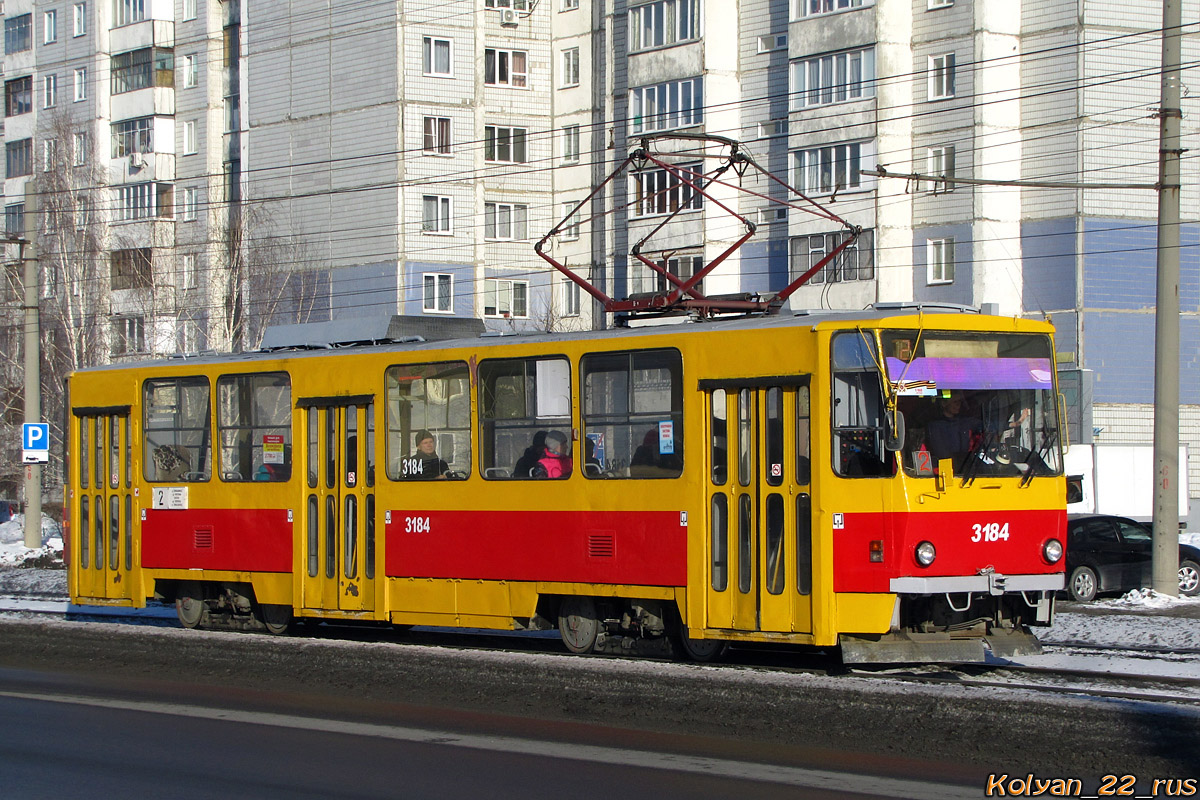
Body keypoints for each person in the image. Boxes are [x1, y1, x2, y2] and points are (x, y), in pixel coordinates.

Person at [925, 392, 980, 463]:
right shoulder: (935, 426)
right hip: (946, 466)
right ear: (944, 404)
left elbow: (985, 425)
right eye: (955, 402)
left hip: (966, 466)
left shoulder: (965, 422)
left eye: (960, 402)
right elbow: (941, 453)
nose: (958, 405)